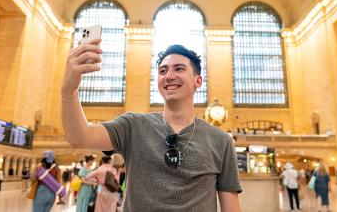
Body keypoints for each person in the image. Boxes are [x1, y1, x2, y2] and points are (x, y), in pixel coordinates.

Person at [61, 43, 242, 211]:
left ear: (198, 81)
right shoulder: (132, 126)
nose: (169, 76)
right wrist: (69, 90)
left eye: (179, 68)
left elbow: (231, 207)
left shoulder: (221, 141)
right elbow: (80, 137)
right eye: (163, 71)